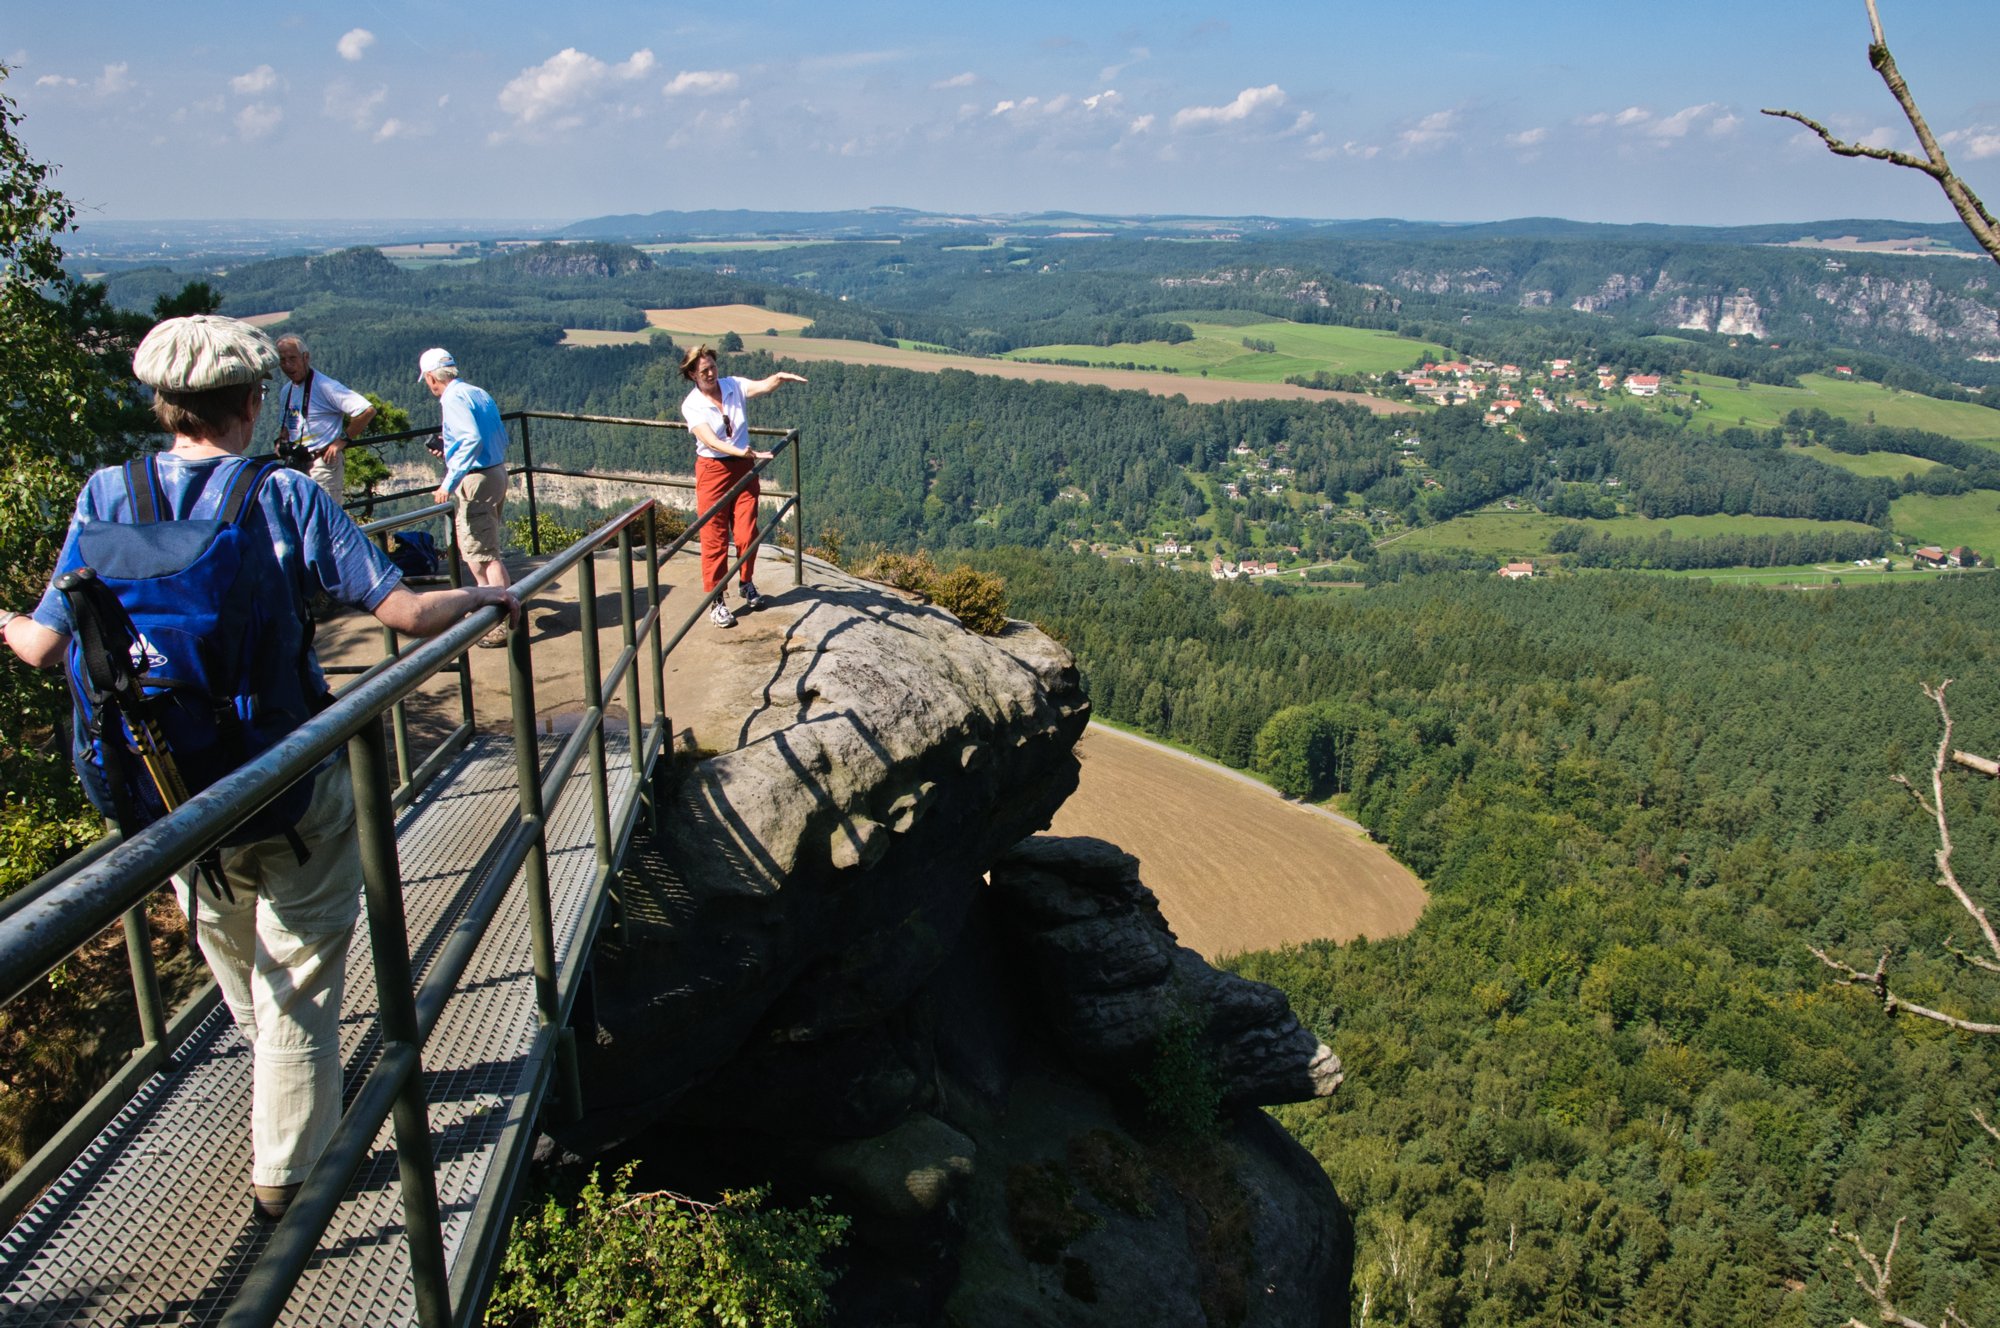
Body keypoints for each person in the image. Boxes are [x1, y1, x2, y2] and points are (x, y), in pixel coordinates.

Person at [0, 315, 518, 1224]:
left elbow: (42, 645)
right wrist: (483, 594)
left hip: (166, 789)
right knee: (304, 975)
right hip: (284, 772)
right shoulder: (283, 494)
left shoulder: (105, 496)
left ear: (164, 405)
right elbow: (400, 612)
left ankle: (281, 1067)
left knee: (238, 950)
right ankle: (287, 1178)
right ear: (252, 401)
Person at [677, 344, 806, 627]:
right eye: (704, 370)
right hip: (713, 470)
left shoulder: (732, 385)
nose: (711, 373)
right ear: (692, 375)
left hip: (744, 467)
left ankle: (746, 581)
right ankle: (716, 600)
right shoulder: (692, 404)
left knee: (748, 530)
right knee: (714, 536)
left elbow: (761, 387)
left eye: (712, 366)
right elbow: (709, 439)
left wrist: (778, 379)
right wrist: (742, 452)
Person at [419, 347, 513, 646]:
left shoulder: (452, 398)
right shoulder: (476, 392)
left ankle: (499, 620)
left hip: (476, 481)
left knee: (483, 555)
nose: (430, 386)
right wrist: (449, 450)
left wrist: (450, 479)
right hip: (496, 471)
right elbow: (495, 435)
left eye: (428, 381)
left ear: (432, 377)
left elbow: (471, 439)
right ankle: (490, 608)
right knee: (483, 551)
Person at [273, 333, 376, 506]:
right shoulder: (287, 391)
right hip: (296, 464)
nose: (287, 365)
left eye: (292, 358)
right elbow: (288, 424)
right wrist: (282, 440)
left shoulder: (325, 386)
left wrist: (342, 440)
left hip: (321, 464)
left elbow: (367, 410)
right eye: (282, 360)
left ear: (306, 357)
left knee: (325, 519)